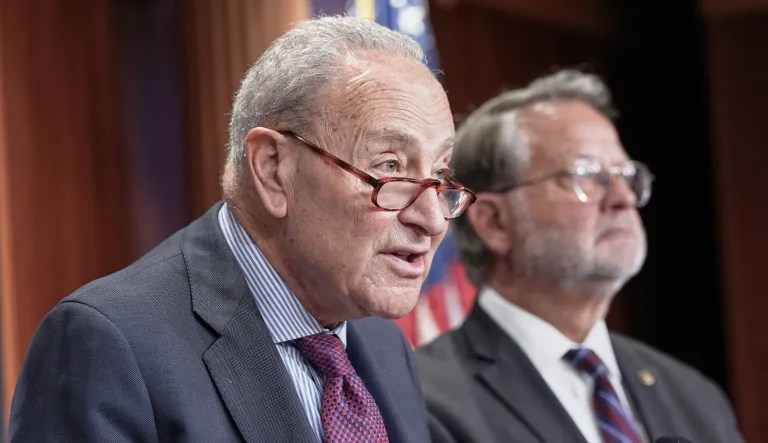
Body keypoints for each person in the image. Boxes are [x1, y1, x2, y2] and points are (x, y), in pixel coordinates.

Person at [9, 16, 476, 443]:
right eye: (390, 167)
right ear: (273, 170)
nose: (433, 219)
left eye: (440, 173)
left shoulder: (383, 344)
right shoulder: (111, 346)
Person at [415, 69, 745, 443]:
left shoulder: (695, 399)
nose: (623, 198)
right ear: (494, 222)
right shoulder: (425, 399)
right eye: (585, 174)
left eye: (625, 174)